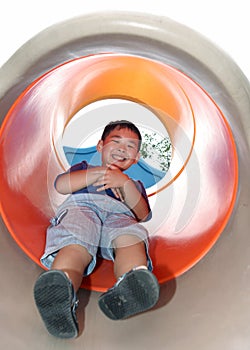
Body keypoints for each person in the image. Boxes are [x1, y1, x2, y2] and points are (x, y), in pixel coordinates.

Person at [34, 120, 160, 338]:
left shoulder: (134, 183)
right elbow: (61, 185)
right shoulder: (85, 168)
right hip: (83, 209)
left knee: (130, 237)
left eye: (131, 146)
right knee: (76, 242)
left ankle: (130, 283)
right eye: (116, 141)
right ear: (100, 146)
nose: (122, 148)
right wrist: (98, 174)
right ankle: (62, 290)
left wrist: (124, 182)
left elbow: (141, 214)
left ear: (136, 158)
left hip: (119, 216)